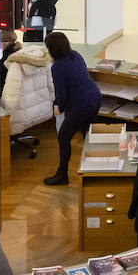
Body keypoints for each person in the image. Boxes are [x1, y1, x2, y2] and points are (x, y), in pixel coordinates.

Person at [44, 32, 103, 185]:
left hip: (81, 104)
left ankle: (62, 174)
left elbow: (61, 93)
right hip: (94, 97)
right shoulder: (76, 55)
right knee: (88, 135)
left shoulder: (57, 67)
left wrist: (59, 107)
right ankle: (97, 169)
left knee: (63, 137)